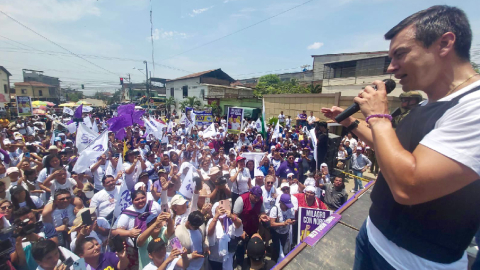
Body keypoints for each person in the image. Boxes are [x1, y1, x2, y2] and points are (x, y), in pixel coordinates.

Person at [322, 5, 480, 269]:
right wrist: (350, 121)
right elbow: (390, 149)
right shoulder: (427, 105)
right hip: (372, 236)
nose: (392, 68)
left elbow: (408, 186)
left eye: (400, 55)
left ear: (445, 43)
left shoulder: (473, 108)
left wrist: (379, 117)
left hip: (414, 262)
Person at [206, 201, 243, 270]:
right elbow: (209, 233)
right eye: (219, 208)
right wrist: (216, 217)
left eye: (223, 208)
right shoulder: (212, 220)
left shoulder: (230, 220)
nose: (222, 210)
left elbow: (239, 225)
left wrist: (232, 216)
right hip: (215, 258)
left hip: (229, 256)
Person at [269, 193, 295, 262]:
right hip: (276, 233)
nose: (287, 207)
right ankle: (273, 264)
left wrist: (292, 221)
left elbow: (292, 218)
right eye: (285, 205)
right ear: (281, 203)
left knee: (284, 250)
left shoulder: (290, 209)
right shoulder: (275, 209)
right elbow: (272, 223)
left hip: (285, 233)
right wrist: (283, 224)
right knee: (276, 250)